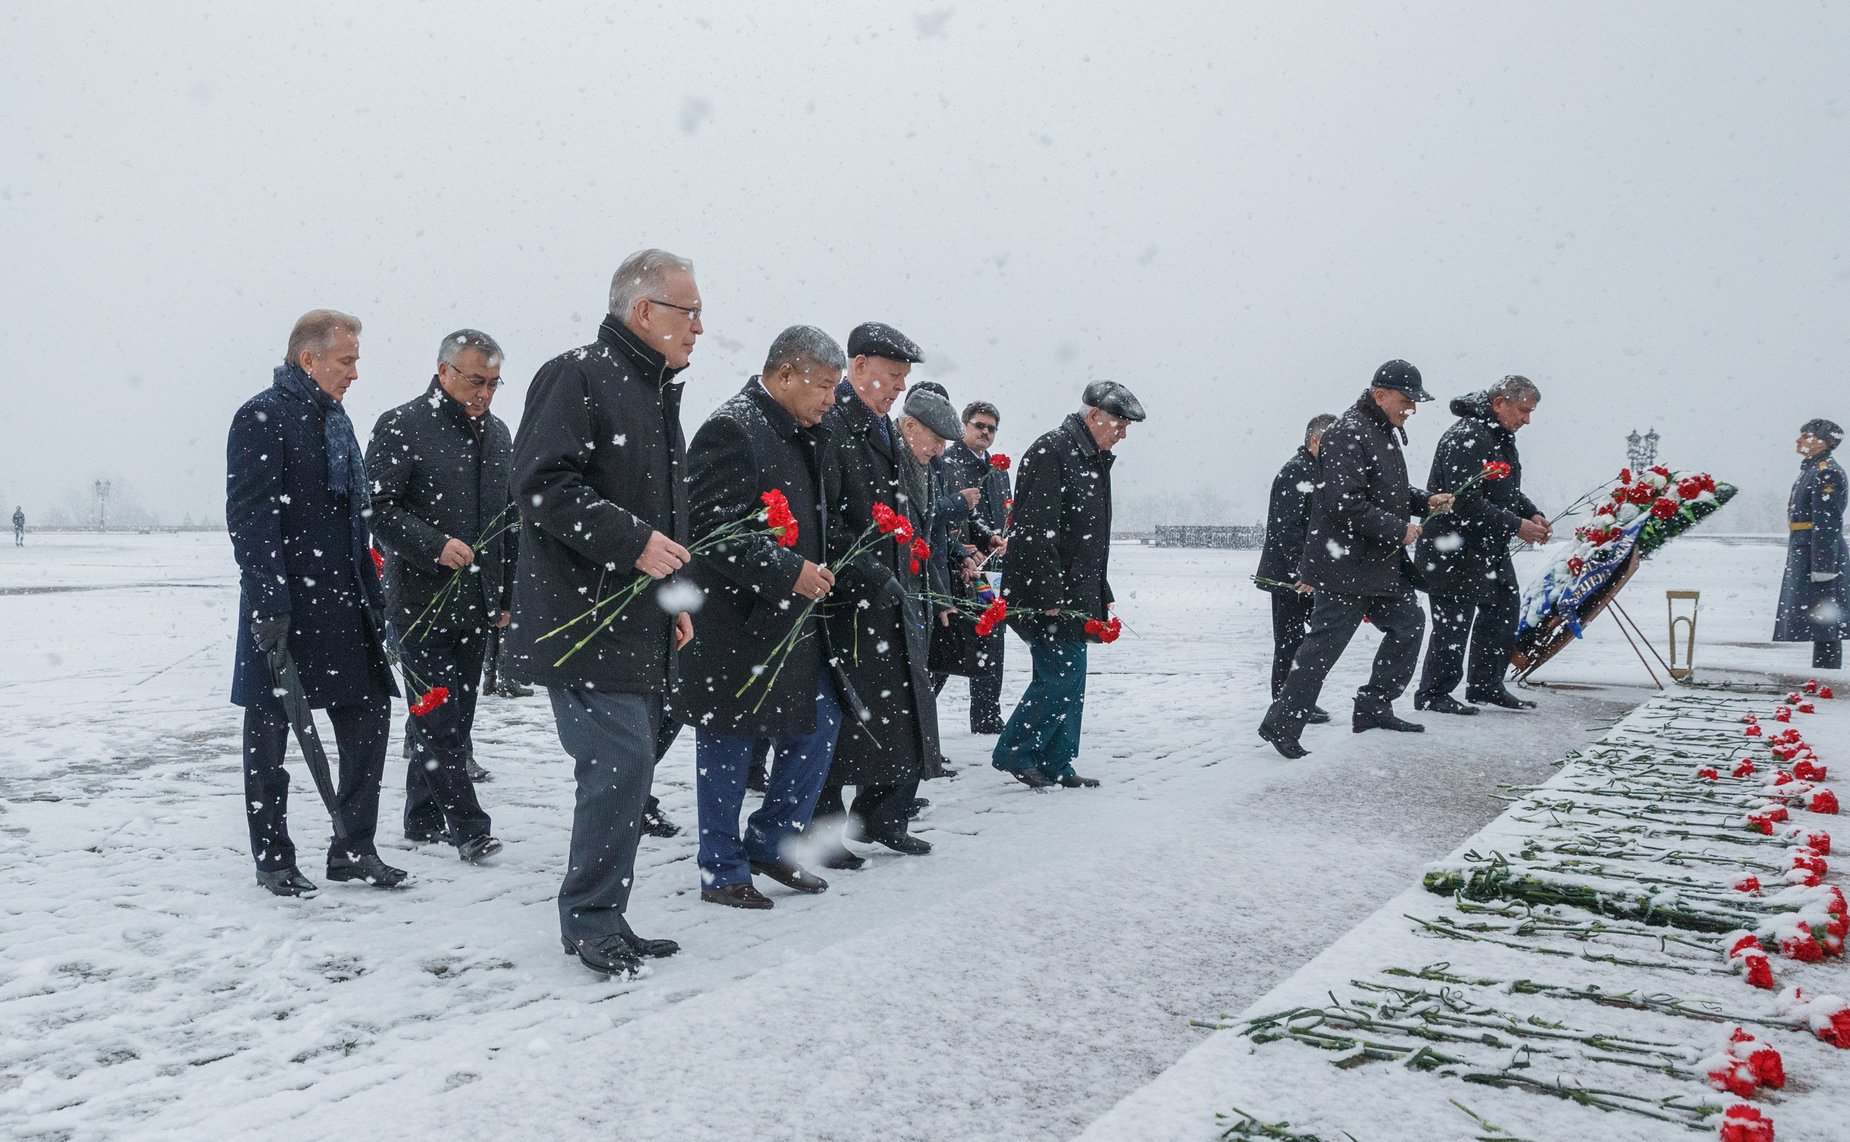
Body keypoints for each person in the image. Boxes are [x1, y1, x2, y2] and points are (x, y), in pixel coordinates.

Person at [504, 249, 699, 977]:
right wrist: (634, 543)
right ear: (644, 311)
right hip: (581, 619)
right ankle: (589, 920)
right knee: (619, 765)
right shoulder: (578, 375)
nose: (699, 328)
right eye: (689, 312)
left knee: (631, 768)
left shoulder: (656, 394)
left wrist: (672, 599)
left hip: (636, 618)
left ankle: (604, 915)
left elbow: (665, 518)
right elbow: (541, 486)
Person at [226, 309, 406, 896]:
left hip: (345, 605)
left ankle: (353, 848)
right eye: (346, 360)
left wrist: (372, 595)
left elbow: (356, 520)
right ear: (309, 359)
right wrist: (270, 604)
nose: (354, 372)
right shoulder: (261, 416)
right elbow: (252, 520)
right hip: (285, 607)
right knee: (270, 735)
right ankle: (273, 857)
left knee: (369, 718)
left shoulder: (336, 421)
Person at [678, 326, 848, 909]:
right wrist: (788, 569)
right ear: (785, 375)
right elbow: (708, 528)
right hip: (737, 624)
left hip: (790, 622)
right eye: (824, 386)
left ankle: (771, 842)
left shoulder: (802, 433)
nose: (831, 399)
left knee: (819, 724)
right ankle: (721, 870)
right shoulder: (733, 429)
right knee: (727, 745)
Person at [365, 329, 514, 864]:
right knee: (437, 720)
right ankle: (469, 827)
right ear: (444, 370)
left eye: (494, 383)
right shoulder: (402, 425)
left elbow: (509, 522)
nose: (485, 393)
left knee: (457, 717)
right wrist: (434, 546)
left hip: (477, 604)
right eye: (476, 381)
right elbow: (375, 508)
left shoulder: (499, 435)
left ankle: (423, 818)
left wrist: (507, 593)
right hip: (419, 605)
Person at [1257, 360, 1454, 759]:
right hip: (1345, 567)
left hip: (1378, 565)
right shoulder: (1347, 433)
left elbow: (1388, 493)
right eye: (1406, 400)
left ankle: (1374, 704)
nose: (1412, 408)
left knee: (1409, 624)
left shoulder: (1382, 432)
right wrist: (1398, 529)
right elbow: (1345, 503)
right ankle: (1281, 724)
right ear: (1380, 395)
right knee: (1322, 648)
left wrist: (1425, 501)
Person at [814, 322, 946, 867]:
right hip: (848, 601)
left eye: (904, 378)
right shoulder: (833, 423)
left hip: (891, 591)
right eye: (892, 375)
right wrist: (869, 571)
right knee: (839, 723)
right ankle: (822, 831)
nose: (899, 387)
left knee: (901, 712)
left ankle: (884, 817)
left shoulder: (882, 428)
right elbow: (825, 519)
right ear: (860, 365)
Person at [992, 381, 1145, 788]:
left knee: (1072, 677)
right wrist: (1047, 594)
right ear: (1094, 415)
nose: (1123, 434)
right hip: (1048, 593)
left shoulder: (1092, 458)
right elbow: (1034, 530)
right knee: (1060, 674)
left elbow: (1090, 540)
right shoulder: (1052, 451)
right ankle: (1016, 751)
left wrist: (1100, 593)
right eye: (1119, 424)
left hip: (1075, 592)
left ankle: (1058, 761)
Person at [1414, 376, 1550, 714]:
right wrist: (1517, 526)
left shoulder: (1498, 435)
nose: (1527, 420)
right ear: (1499, 403)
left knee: (1503, 610)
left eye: (1531, 413)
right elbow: (1464, 501)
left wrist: (1531, 512)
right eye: (1523, 411)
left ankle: (1486, 684)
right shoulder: (1467, 436)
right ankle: (1433, 693)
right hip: (1452, 546)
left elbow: (1503, 489)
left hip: (1487, 545)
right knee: (1453, 623)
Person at [1256, 413, 1336, 722]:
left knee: (1306, 642)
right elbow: (1287, 529)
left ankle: (1298, 699)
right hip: (1290, 577)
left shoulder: (1315, 470)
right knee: (1290, 641)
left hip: (1308, 573)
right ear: (1315, 441)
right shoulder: (1296, 472)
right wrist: (1302, 572)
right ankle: (1286, 702)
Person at [939, 400, 1013, 733]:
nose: (985, 432)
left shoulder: (998, 469)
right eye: (978, 425)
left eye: (991, 428)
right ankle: (918, 722)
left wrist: (1000, 539)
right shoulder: (948, 461)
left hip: (991, 568)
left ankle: (986, 715)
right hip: (959, 566)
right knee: (950, 641)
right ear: (964, 425)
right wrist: (963, 548)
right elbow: (952, 515)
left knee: (992, 636)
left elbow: (1003, 512)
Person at [1774, 418, 1849, 670]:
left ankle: (1828, 678)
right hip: (1807, 550)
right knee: (1820, 621)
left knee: (1826, 622)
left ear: (1823, 442)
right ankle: (1824, 675)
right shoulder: (1812, 469)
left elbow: (1828, 522)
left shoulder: (1826, 471)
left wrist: (1824, 566)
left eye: (1806, 436)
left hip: (1817, 553)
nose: (1798, 440)